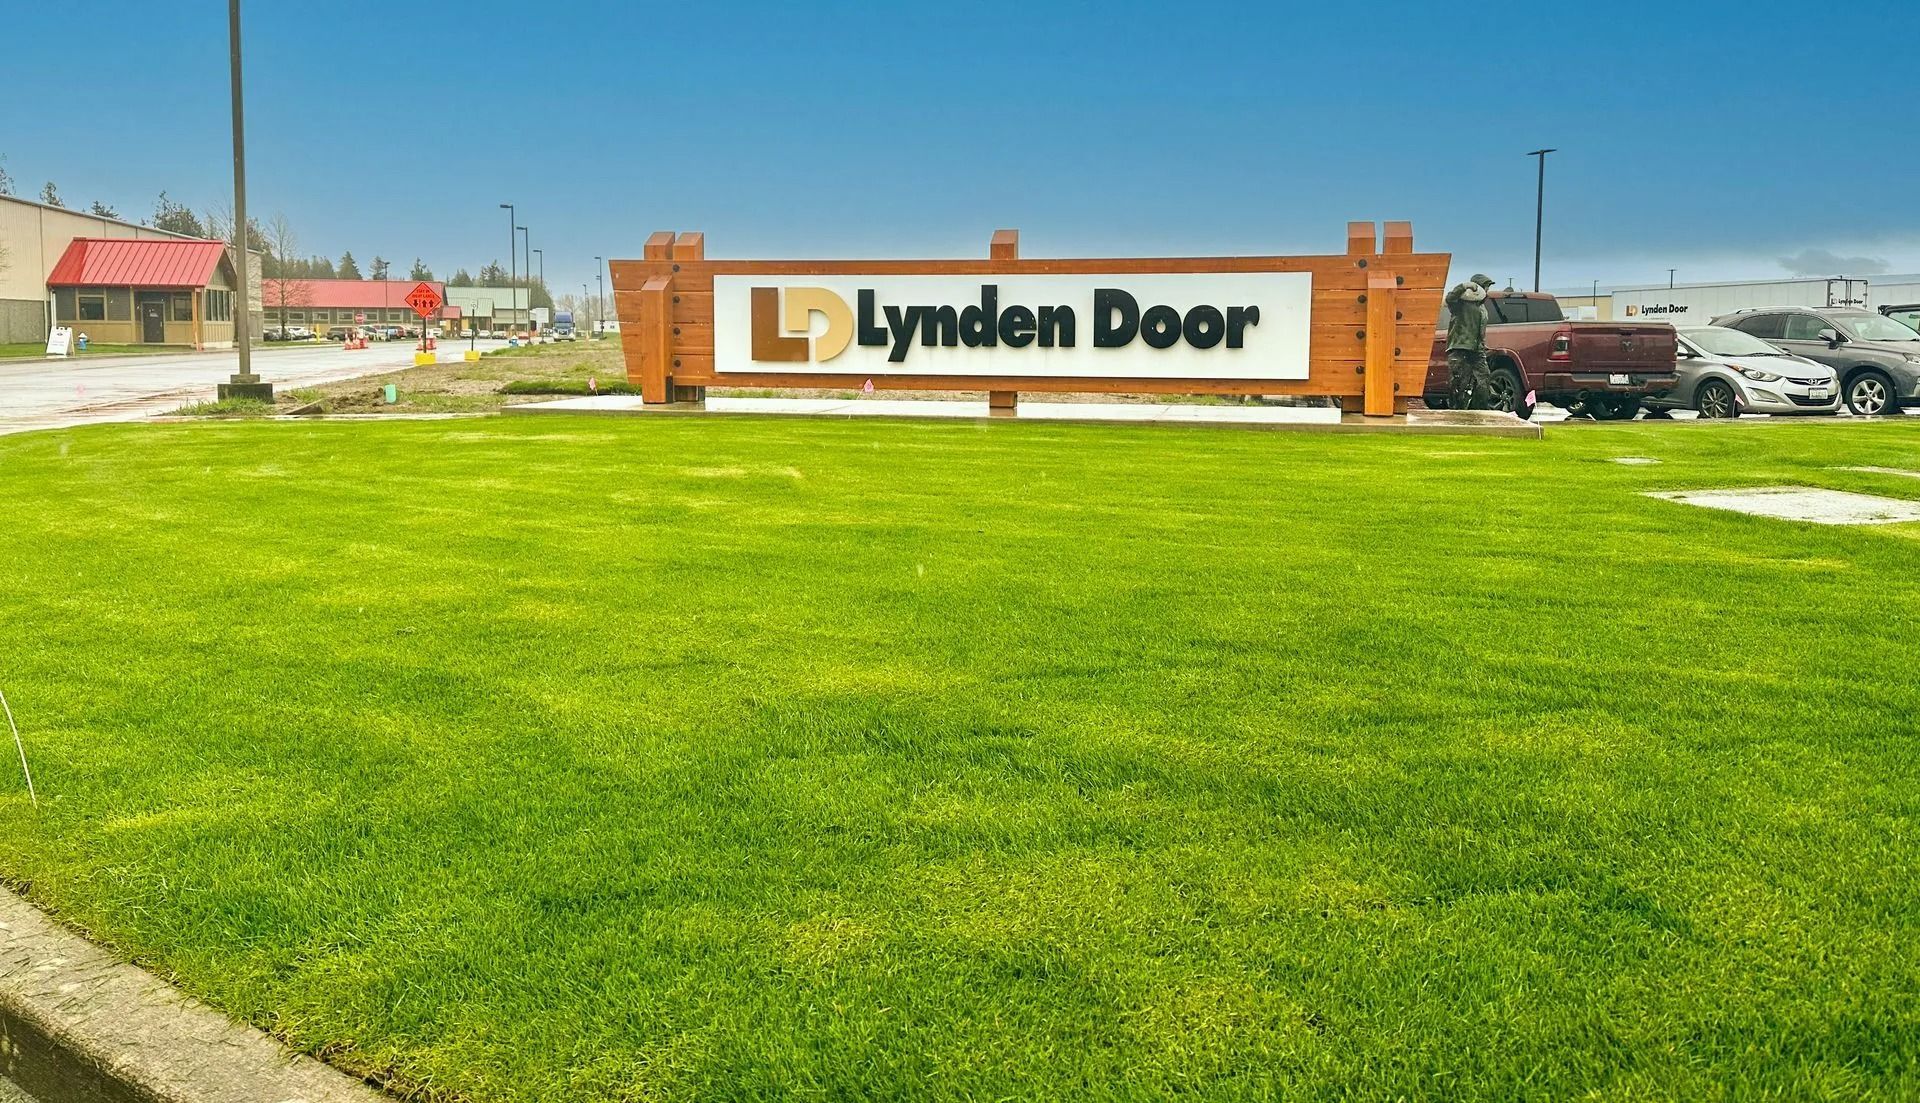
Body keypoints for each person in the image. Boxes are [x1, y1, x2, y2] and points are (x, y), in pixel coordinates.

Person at [1445, 273, 1497, 410]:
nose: (1487, 290)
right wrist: (1463, 286)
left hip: (1477, 350)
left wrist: (1483, 346)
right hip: (1459, 348)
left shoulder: (1482, 307)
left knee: (1484, 381)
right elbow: (1450, 298)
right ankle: (1457, 412)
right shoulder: (1460, 304)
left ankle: (1479, 411)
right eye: (1486, 286)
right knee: (1458, 383)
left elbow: (1480, 331)